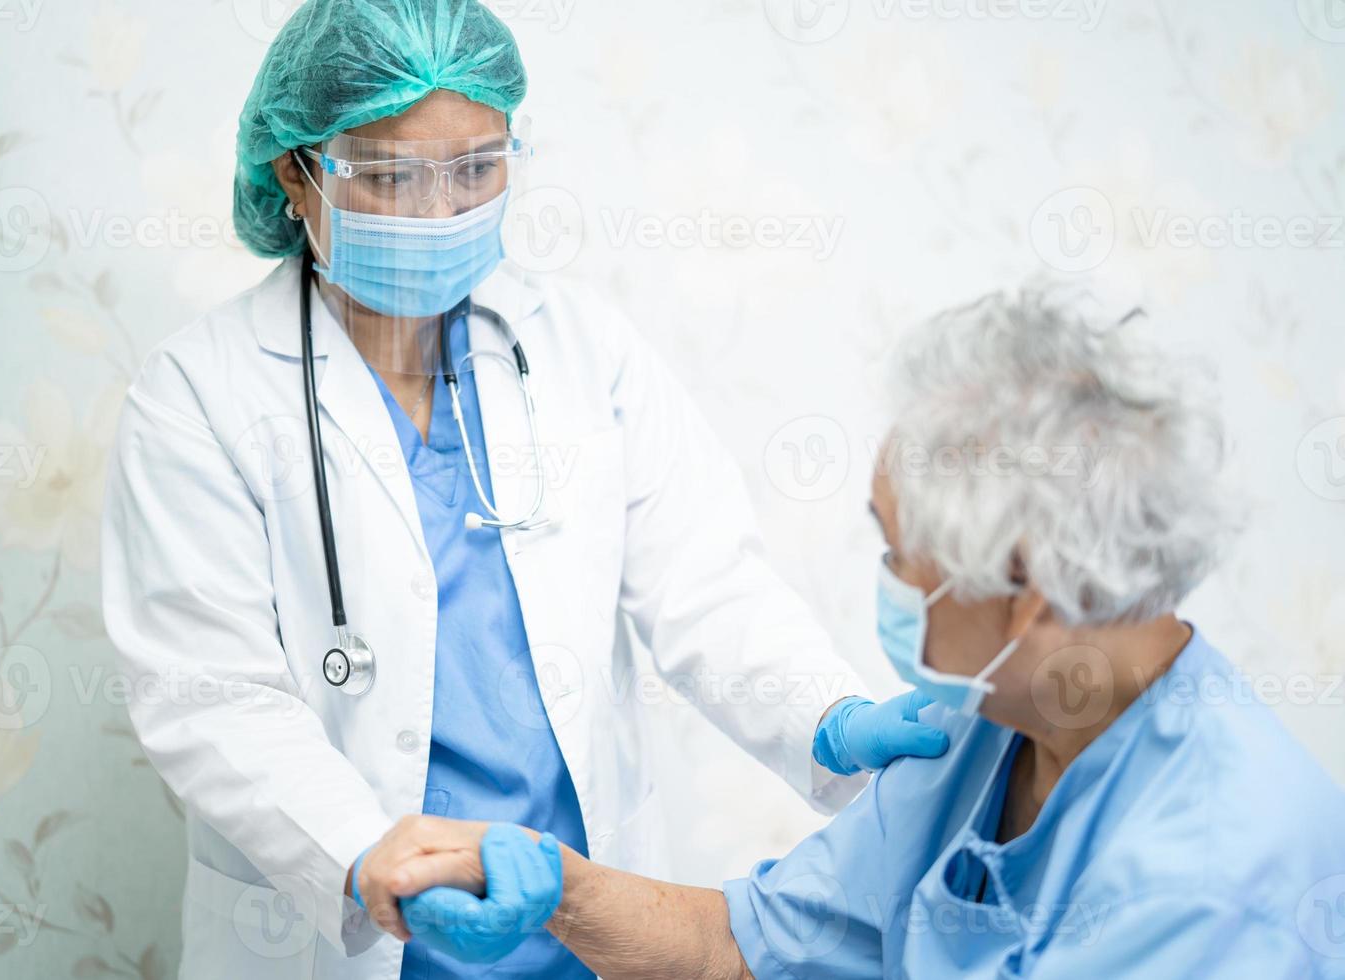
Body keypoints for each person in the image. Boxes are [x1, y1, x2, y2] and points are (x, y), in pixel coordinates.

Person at [99, 2, 946, 978]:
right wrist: (359, 854)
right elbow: (213, 692)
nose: (441, 210)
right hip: (349, 929)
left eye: (475, 167)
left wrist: (831, 715)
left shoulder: (583, 348)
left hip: (583, 920)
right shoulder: (200, 393)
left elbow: (712, 593)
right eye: (389, 175)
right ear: (296, 170)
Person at [366, 287, 1345, 977]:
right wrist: (560, 891)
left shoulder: (1220, 881)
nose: (884, 582)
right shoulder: (990, 728)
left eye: (898, 553)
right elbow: (741, 948)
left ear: (1031, 592)